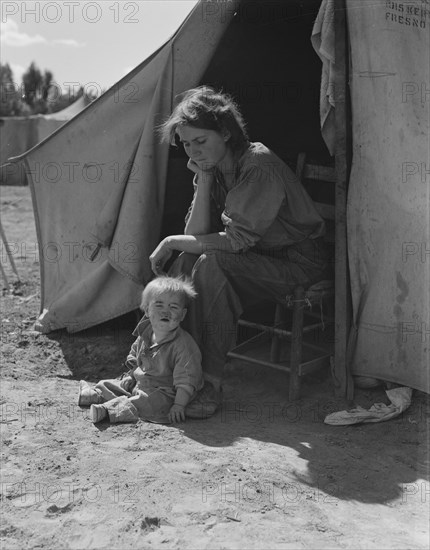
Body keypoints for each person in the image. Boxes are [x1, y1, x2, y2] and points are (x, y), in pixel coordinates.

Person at [149, 86, 330, 392]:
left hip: (298, 264)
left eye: (201, 141)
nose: (193, 152)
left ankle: (207, 381)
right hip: (259, 258)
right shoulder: (215, 167)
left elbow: (234, 242)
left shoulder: (258, 165)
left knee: (209, 263)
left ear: (225, 132)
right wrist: (204, 181)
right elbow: (195, 236)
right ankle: (161, 364)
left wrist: (168, 241)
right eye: (187, 145)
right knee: (187, 259)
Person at [78, 276, 204, 424]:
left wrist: (179, 405)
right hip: (140, 384)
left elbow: (186, 381)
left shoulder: (184, 346)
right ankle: (95, 394)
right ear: (147, 310)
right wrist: (131, 377)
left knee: (147, 402)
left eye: (173, 307)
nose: (166, 311)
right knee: (113, 384)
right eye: (159, 305)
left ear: (182, 315)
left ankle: (107, 411)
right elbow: (135, 359)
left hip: (165, 392)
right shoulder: (145, 334)